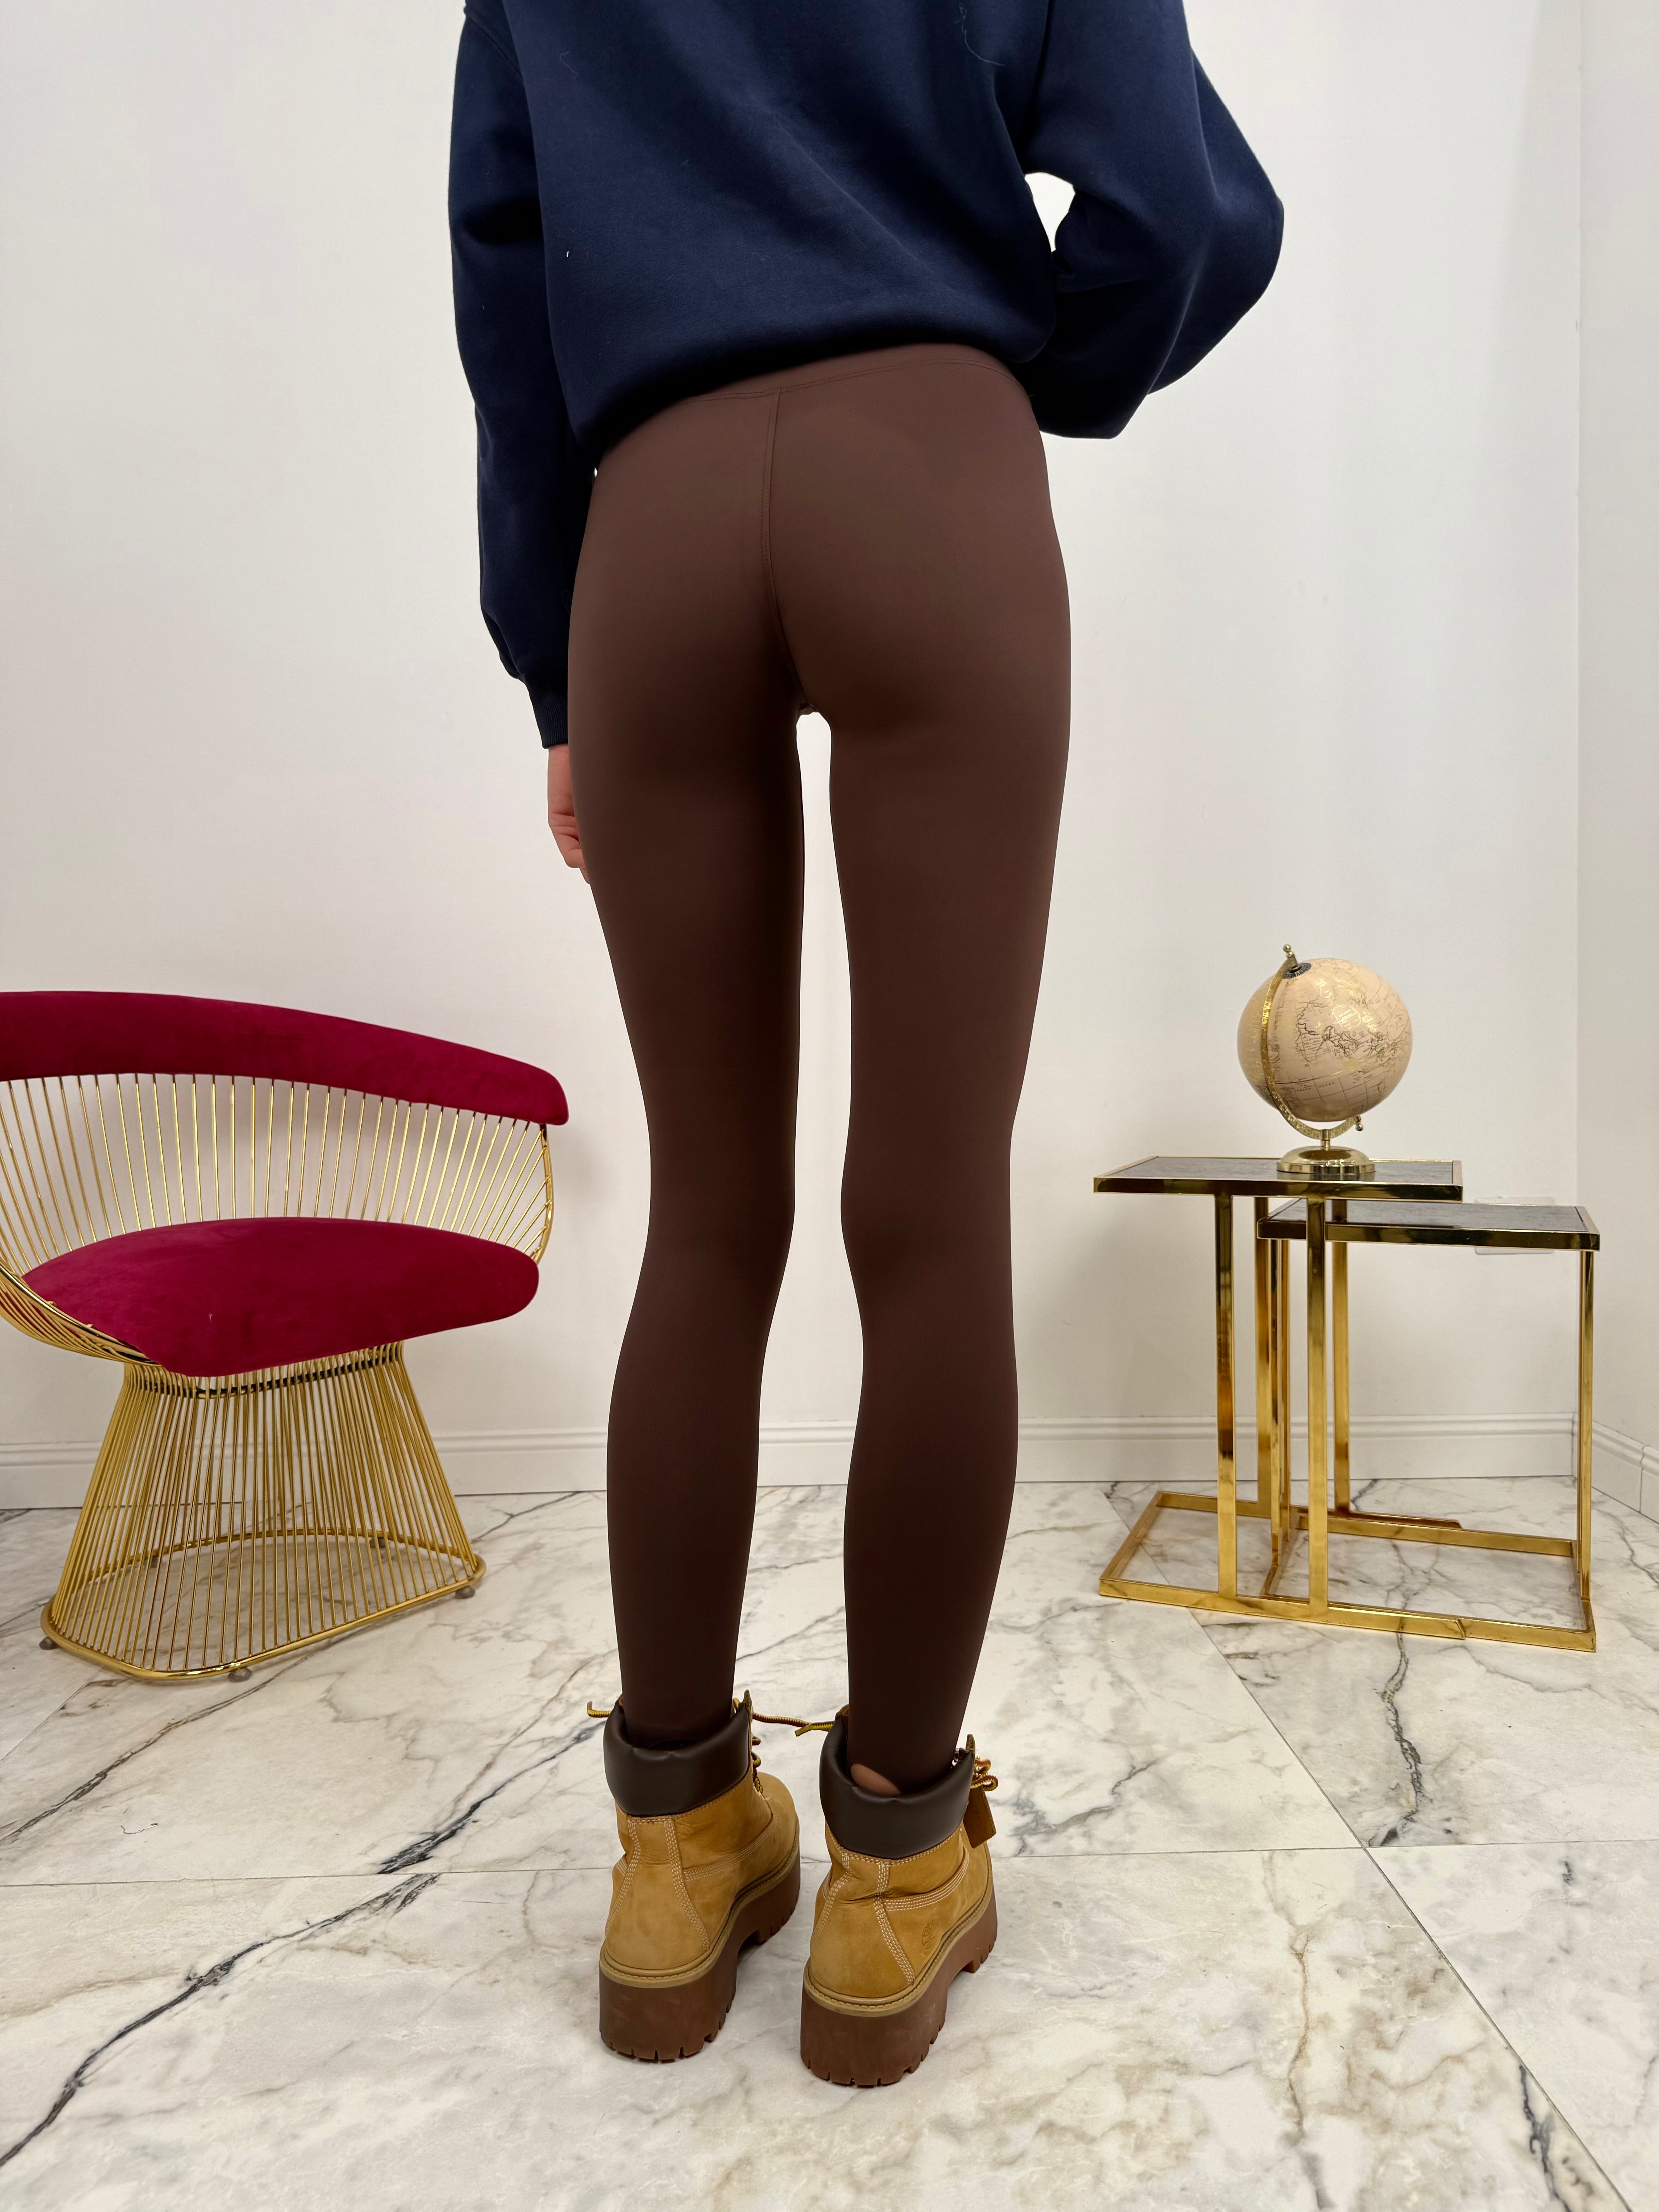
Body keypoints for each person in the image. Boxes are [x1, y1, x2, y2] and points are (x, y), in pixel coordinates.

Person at [449, 0, 1280, 2085]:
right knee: (926, 1216)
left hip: (652, 526)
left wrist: (556, 667)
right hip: (930, 474)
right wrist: (1008, 367)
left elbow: (507, 275)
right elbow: (1191, 209)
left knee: (706, 1218)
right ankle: (895, 1880)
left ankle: (674, 1853)